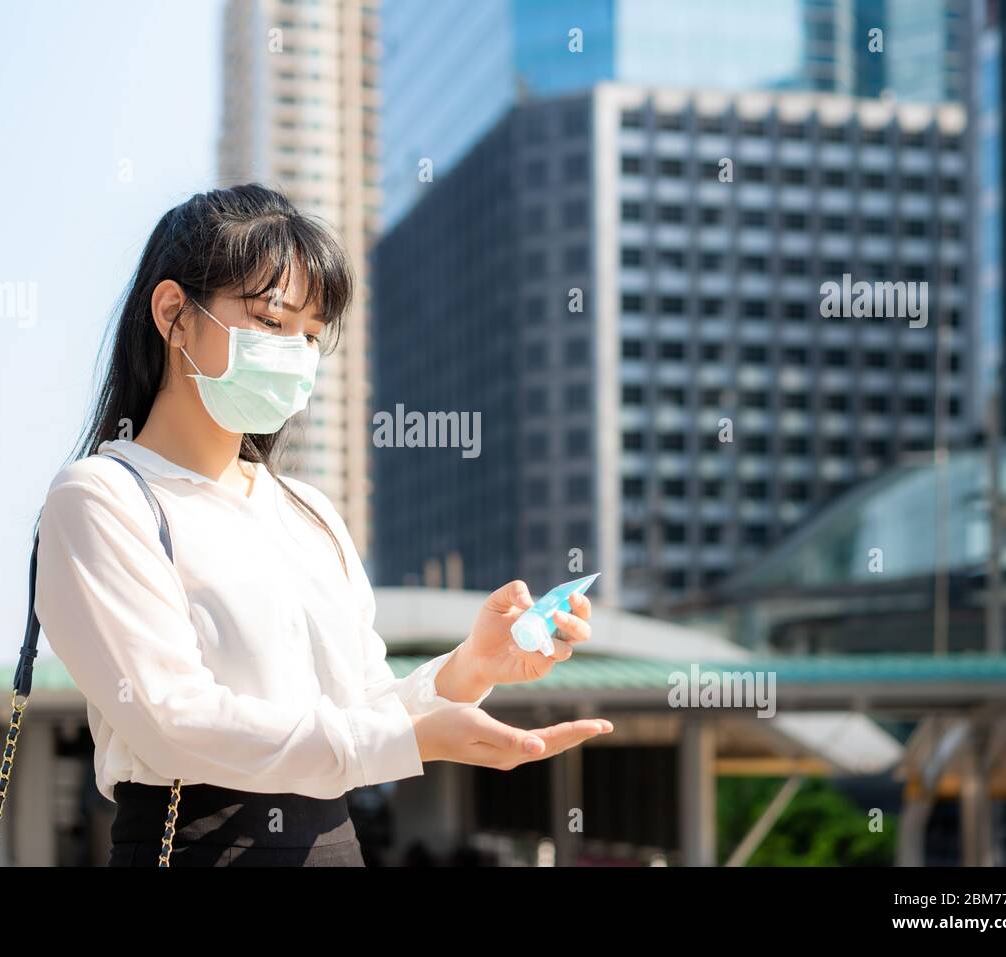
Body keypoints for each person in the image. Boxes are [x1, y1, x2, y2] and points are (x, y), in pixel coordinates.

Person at [34, 184, 613, 867]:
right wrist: (413, 741)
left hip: (335, 847)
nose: (297, 353)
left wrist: (471, 665)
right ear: (173, 313)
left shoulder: (309, 513)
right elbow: (170, 722)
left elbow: (363, 706)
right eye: (272, 322)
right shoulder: (104, 498)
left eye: (311, 334)